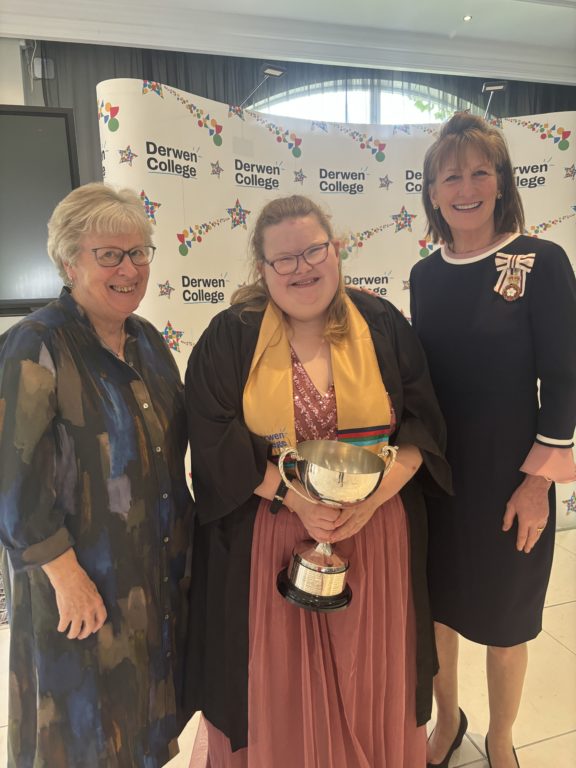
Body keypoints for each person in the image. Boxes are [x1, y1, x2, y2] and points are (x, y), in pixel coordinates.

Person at [183, 194, 451, 767]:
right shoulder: (231, 336)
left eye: (313, 251)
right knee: (281, 682)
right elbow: (211, 436)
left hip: (375, 533)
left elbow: (424, 425)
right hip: (273, 535)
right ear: (263, 269)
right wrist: (293, 501)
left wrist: (374, 499)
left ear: (337, 250)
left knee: (371, 675)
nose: (302, 268)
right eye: (284, 259)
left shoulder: (381, 323)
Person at [0, 183, 192, 768]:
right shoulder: (35, 344)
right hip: (80, 587)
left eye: (138, 252)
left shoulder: (150, 343)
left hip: (152, 580)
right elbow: (12, 481)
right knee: (81, 739)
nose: (129, 268)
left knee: (142, 729)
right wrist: (64, 574)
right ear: (68, 261)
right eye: (108, 254)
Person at [410, 113, 576, 768]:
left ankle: (501, 740)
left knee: (508, 622)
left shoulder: (540, 262)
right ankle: (448, 721)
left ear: (503, 182)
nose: (466, 186)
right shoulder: (426, 276)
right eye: (451, 175)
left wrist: (537, 483)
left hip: (513, 480)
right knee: (440, 615)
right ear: (431, 190)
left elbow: (566, 381)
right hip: (439, 480)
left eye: (481, 171)